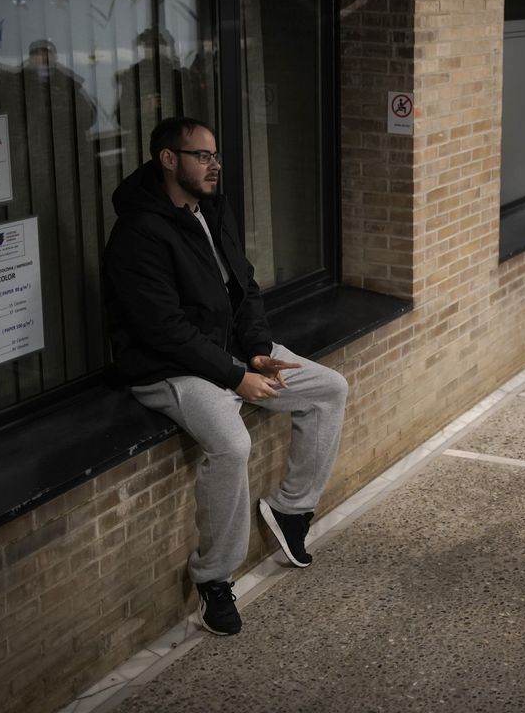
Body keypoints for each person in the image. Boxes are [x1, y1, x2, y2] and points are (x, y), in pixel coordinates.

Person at [103, 117, 349, 636]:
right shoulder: (138, 232)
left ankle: (291, 510)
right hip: (170, 368)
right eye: (202, 156)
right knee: (232, 445)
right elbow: (163, 329)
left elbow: (245, 285)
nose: (215, 166)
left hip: (231, 352)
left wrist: (258, 353)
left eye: (217, 156)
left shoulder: (211, 207)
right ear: (168, 159)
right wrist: (236, 377)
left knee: (328, 388)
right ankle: (214, 579)